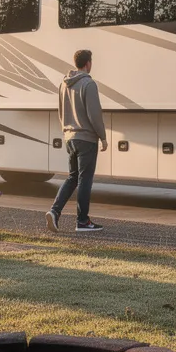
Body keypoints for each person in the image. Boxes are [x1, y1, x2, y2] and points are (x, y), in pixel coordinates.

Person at [47, 49, 107, 232]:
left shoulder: (64, 84)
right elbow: (94, 114)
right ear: (88, 63)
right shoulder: (88, 84)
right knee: (84, 179)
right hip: (86, 138)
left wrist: (67, 132)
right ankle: (82, 221)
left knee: (73, 177)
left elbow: (60, 112)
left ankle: (54, 212)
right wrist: (103, 137)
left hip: (70, 138)